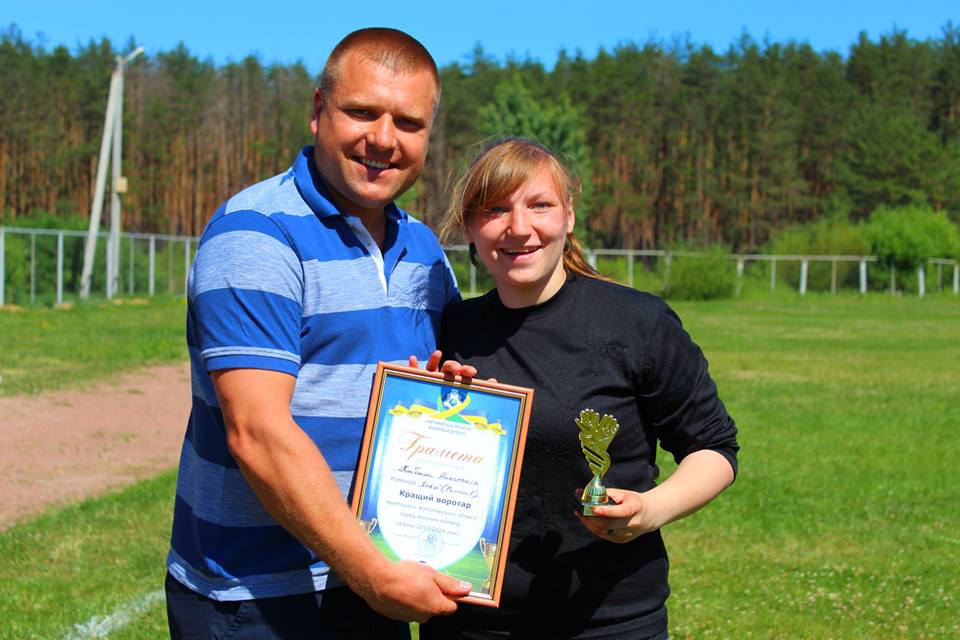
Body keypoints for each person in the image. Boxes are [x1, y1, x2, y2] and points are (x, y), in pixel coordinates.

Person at [165, 28, 475, 639]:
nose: (383, 139)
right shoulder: (255, 235)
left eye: (408, 123)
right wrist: (373, 572)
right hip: (255, 598)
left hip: (366, 580)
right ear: (317, 112)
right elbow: (257, 433)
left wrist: (450, 390)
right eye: (362, 111)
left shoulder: (424, 250)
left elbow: (427, 393)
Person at [420, 138, 740, 640]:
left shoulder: (637, 323)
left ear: (568, 216)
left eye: (539, 205)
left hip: (608, 621)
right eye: (495, 209)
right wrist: (428, 405)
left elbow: (714, 447)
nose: (519, 228)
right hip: (469, 622)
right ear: (469, 228)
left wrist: (649, 511)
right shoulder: (449, 329)